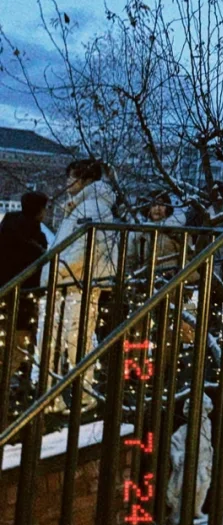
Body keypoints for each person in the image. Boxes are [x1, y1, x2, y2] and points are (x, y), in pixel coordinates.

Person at [51, 158, 120, 368]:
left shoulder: (91, 206)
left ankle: (80, 392)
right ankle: (81, 392)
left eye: (71, 177)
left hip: (77, 282)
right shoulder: (87, 204)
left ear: (85, 179)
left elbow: (86, 248)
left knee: (74, 341)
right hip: (78, 281)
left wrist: (58, 271)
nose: (67, 182)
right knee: (77, 340)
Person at [0, 191, 49, 374]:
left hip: (4, 295)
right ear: (39, 211)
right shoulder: (36, 238)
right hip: (24, 300)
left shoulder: (7, 227)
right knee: (18, 348)